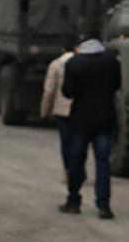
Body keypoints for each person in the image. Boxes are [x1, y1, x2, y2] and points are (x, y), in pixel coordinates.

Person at [60, 34, 121, 219]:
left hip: (80, 121)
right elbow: (117, 85)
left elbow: (68, 93)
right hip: (104, 120)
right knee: (103, 162)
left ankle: (73, 201)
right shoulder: (111, 61)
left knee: (76, 161)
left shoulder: (74, 63)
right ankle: (104, 205)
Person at [40, 46, 75, 187]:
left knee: (65, 142)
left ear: (62, 50)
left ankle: (68, 171)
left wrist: (45, 111)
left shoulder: (55, 64)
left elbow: (49, 90)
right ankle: (78, 168)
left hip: (61, 111)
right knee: (78, 141)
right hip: (78, 110)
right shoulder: (82, 63)